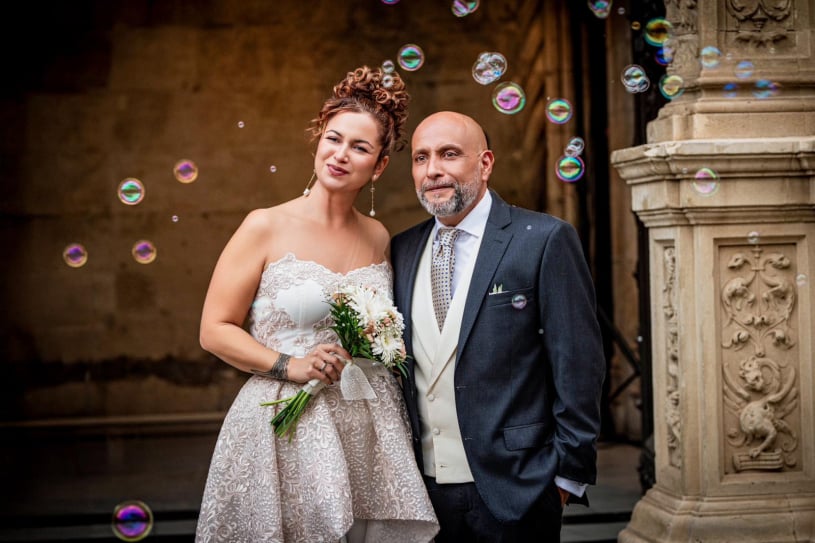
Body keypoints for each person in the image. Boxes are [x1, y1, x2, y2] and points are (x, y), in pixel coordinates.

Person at [195, 67, 439, 543]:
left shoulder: (378, 236)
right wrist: (291, 365)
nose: (341, 155)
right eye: (333, 139)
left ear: (379, 165)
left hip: (368, 429)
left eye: (359, 147)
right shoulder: (264, 226)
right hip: (285, 424)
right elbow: (214, 329)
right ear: (318, 141)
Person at [390, 111, 606, 542]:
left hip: (519, 489)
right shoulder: (402, 249)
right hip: (423, 495)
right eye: (420, 157)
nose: (432, 170)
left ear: (485, 163)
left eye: (449, 154)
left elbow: (578, 364)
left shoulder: (543, 238)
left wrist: (566, 476)